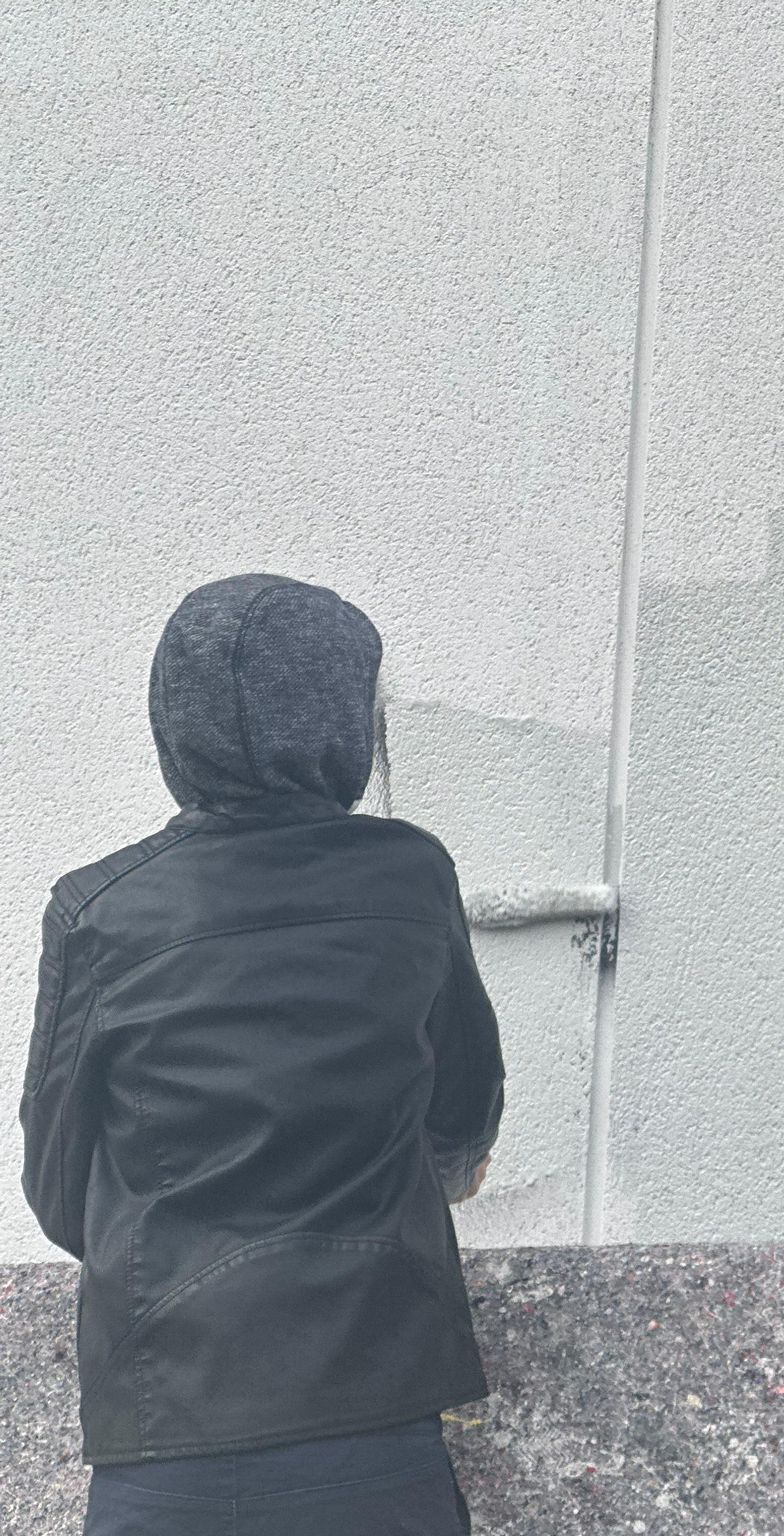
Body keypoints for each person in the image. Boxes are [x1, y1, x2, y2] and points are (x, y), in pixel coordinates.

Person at [19, 574, 505, 1536]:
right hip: (377, 1411)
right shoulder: (411, 876)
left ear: (175, 726)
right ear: (345, 724)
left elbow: (59, 1187)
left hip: (167, 1425)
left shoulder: (98, 911)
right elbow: (462, 1117)